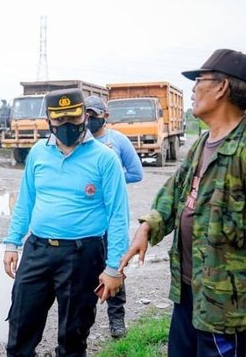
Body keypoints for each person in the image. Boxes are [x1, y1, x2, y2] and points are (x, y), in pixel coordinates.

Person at [119, 49, 246, 357]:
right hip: (189, 289)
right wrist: (148, 227)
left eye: (199, 80)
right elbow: (174, 192)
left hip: (224, 303)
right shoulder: (204, 141)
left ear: (221, 87)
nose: (192, 89)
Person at [3, 88, 129, 356]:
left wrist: (113, 268)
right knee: (20, 329)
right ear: (49, 121)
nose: (67, 126)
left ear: (84, 115)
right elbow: (26, 201)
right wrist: (12, 242)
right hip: (37, 250)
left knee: (73, 336)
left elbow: (119, 215)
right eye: (59, 121)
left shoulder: (105, 159)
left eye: (72, 119)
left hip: (82, 255)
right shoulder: (38, 153)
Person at [84, 95, 143, 338]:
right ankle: (83, 321)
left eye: (93, 115)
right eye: (85, 115)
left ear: (105, 116)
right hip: (88, 220)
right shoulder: (80, 143)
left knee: (114, 267)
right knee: (86, 269)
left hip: (112, 219)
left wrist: (113, 177)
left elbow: (136, 173)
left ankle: (116, 320)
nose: (88, 120)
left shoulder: (117, 140)